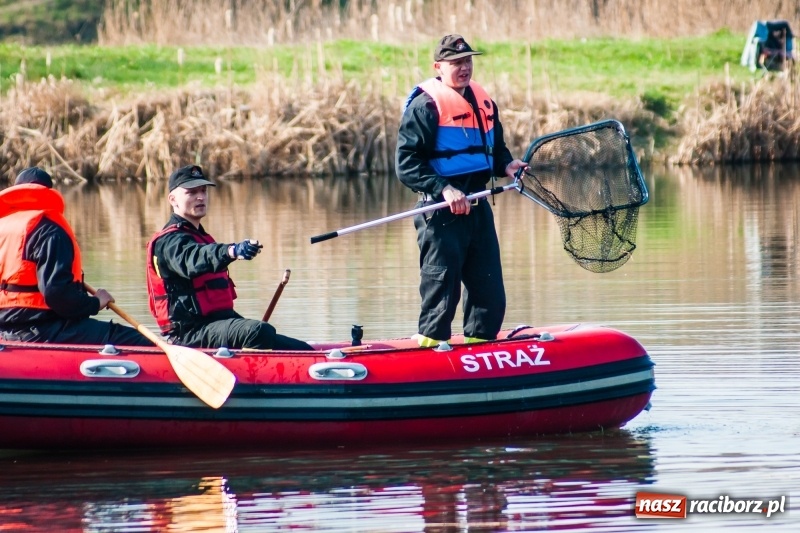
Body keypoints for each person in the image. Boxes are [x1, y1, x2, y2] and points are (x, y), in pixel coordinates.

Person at [396, 34, 527, 347]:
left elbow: (495, 150)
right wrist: (444, 189)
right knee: (441, 295)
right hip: (440, 215)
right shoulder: (425, 106)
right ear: (439, 67)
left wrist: (506, 165)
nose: (464, 67)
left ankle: (477, 352)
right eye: (455, 63)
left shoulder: (484, 101)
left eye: (467, 61)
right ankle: (429, 353)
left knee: (490, 296)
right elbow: (407, 164)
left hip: (478, 208)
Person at [146, 164, 312, 351]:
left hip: (217, 323)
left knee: (299, 347)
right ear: (173, 199)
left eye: (203, 191)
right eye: (191, 192)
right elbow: (193, 258)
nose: (200, 197)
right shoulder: (168, 242)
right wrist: (232, 251)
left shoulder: (200, 237)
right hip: (189, 334)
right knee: (256, 331)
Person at [0, 167, 153, 346]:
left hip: (6, 329)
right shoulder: (50, 231)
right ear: (49, 192)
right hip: (42, 329)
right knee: (139, 341)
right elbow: (56, 293)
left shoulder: (4, 227)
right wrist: (95, 303)